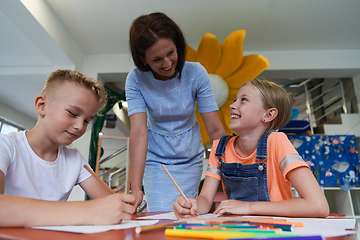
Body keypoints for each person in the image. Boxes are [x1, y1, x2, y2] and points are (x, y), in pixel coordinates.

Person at [173, 79, 330, 218]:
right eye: (235, 100)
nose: (232, 105)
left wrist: (247, 207)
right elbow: (206, 201)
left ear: (268, 115)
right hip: (237, 230)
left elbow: (318, 206)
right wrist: (192, 204)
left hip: (275, 231)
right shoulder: (219, 147)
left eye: (244, 100)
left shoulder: (277, 142)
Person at [0, 69, 136, 227]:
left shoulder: (74, 159)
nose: (80, 127)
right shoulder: (6, 146)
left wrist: (123, 203)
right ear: (42, 106)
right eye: (72, 113)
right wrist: (88, 211)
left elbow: (111, 203)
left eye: (86, 121)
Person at [125, 12, 226, 211]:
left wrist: (229, 168)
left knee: (186, 213)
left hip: (190, 158)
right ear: (143, 59)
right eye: (156, 59)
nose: (168, 63)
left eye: (171, 52)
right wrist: (135, 187)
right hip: (155, 160)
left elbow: (215, 129)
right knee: (161, 213)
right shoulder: (136, 79)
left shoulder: (196, 73)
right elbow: (138, 132)